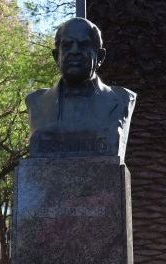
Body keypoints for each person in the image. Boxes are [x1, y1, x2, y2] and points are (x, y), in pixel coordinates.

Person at [26, 17, 136, 161]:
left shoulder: (121, 100)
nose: (75, 51)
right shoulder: (37, 103)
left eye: (84, 45)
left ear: (100, 57)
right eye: (67, 45)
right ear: (56, 56)